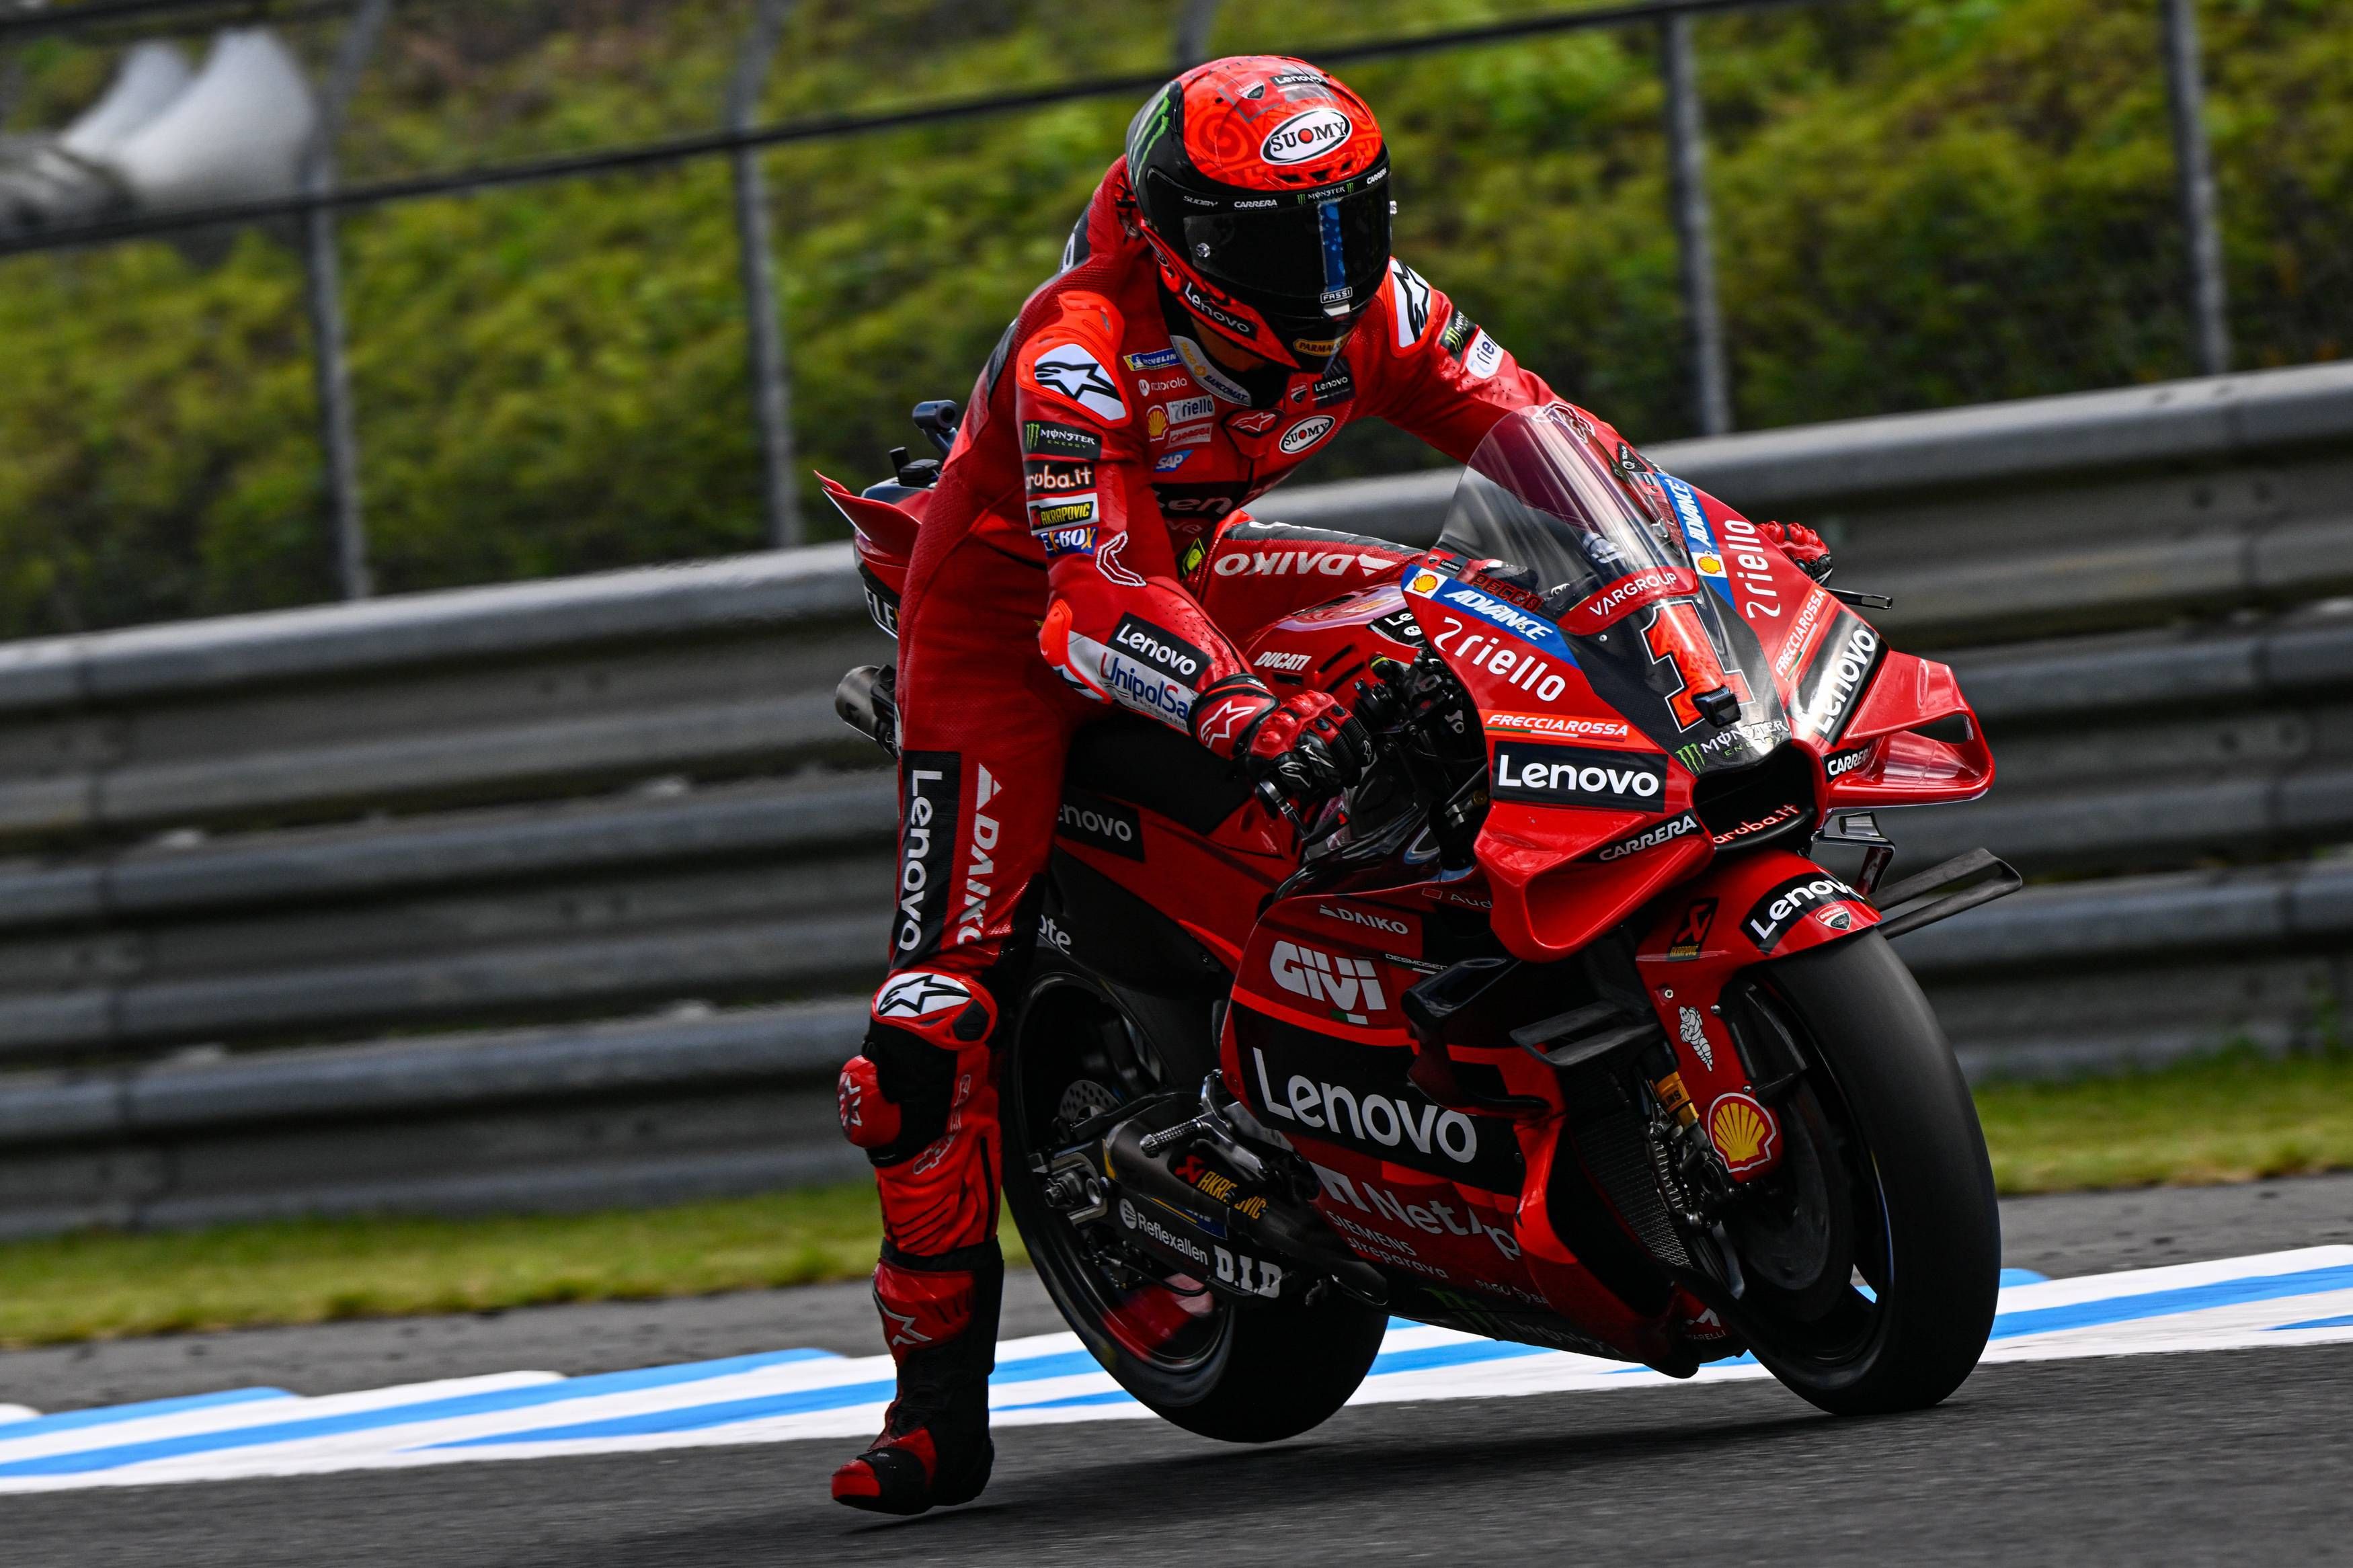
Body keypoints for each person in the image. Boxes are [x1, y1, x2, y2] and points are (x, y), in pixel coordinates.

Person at [827, 54, 1831, 1516]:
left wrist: (1708, 555)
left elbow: (1546, 440)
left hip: (1197, 565)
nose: (1325, 272)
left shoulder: (1383, 306)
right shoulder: (1079, 352)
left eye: (1347, 223)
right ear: (1181, 238)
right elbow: (1095, 596)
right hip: (1007, 629)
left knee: (1459, 627)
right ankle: (933, 1410)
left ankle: (1449, 1009)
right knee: (925, 1029)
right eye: (1278, 240)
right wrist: (1237, 708)